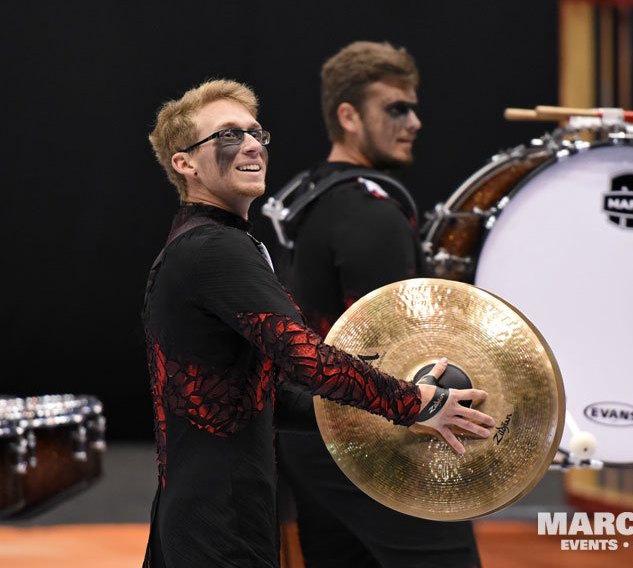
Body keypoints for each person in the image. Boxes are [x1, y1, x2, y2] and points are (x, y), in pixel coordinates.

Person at [142, 78, 494, 568]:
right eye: (226, 135)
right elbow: (306, 359)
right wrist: (415, 402)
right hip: (216, 523)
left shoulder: (202, 242)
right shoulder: (215, 249)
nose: (250, 145)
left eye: (255, 134)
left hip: (206, 514)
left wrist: (381, 417)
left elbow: (266, 395)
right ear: (185, 163)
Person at [270, 42, 484, 568]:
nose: (414, 121)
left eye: (413, 107)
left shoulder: (301, 196)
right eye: (395, 108)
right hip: (370, 441)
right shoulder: (373, 214)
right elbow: (401, 351)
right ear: (348, 116)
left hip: (307, 433)